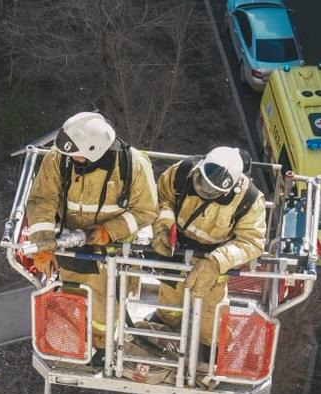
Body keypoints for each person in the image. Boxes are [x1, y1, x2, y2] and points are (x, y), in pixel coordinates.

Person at [26, 112, 157, 349]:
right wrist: (43, 245)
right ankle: (76, 343)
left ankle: (99, 348)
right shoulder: (60, 159)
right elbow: (41, 200)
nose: (69, 156)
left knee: (105, 312)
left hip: (114, 255)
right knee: (73, 300)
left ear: (94, 150)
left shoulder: (132, 164)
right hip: (73, 249)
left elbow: (146, 210)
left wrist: (110, 230)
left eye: (75, 154)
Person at [151, 146, 266, 347]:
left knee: (211, 308)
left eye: (213, 191)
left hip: (216, 255)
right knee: (170, 291)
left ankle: (209, 345)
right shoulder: (182, 172)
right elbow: (163, 198)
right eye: (202, 183)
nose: (204, 190)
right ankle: (166, 322)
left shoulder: (249, 200)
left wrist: (216, 262)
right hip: (178, 246)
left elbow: (252, 241)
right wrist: (163, 227)